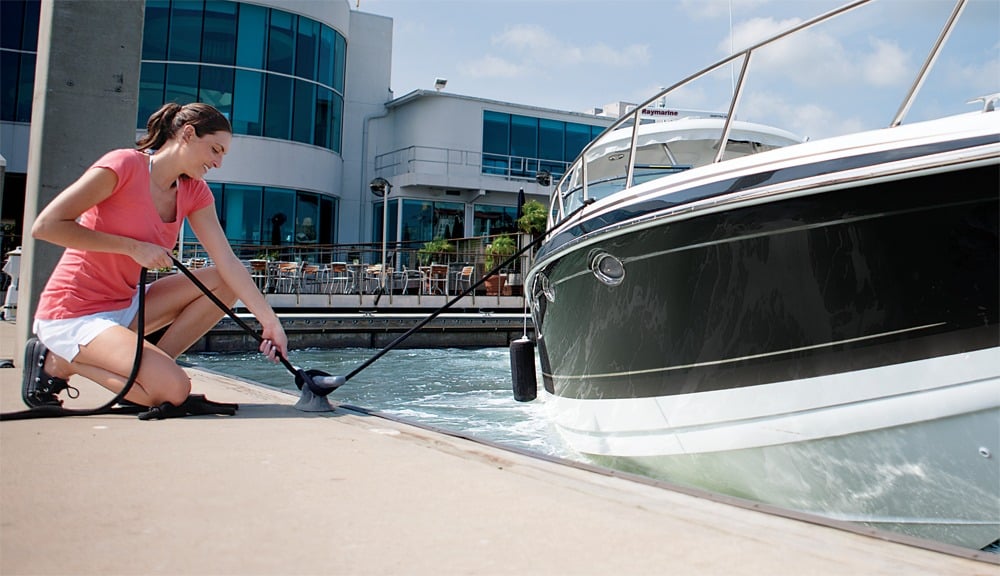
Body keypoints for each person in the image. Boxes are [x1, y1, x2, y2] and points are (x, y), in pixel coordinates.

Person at [23, 102, 288, 409]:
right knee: (174, 392)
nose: (218, 163)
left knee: (224, 281)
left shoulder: (195, 192)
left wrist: (270, 322)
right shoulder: (123, 165)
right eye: (215, 150)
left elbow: (227, 261)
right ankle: (56, 361)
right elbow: (46, 226)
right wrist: (132, 247)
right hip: (75, 312)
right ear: (187, 134)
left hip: (127, 304)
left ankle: (158, 369)